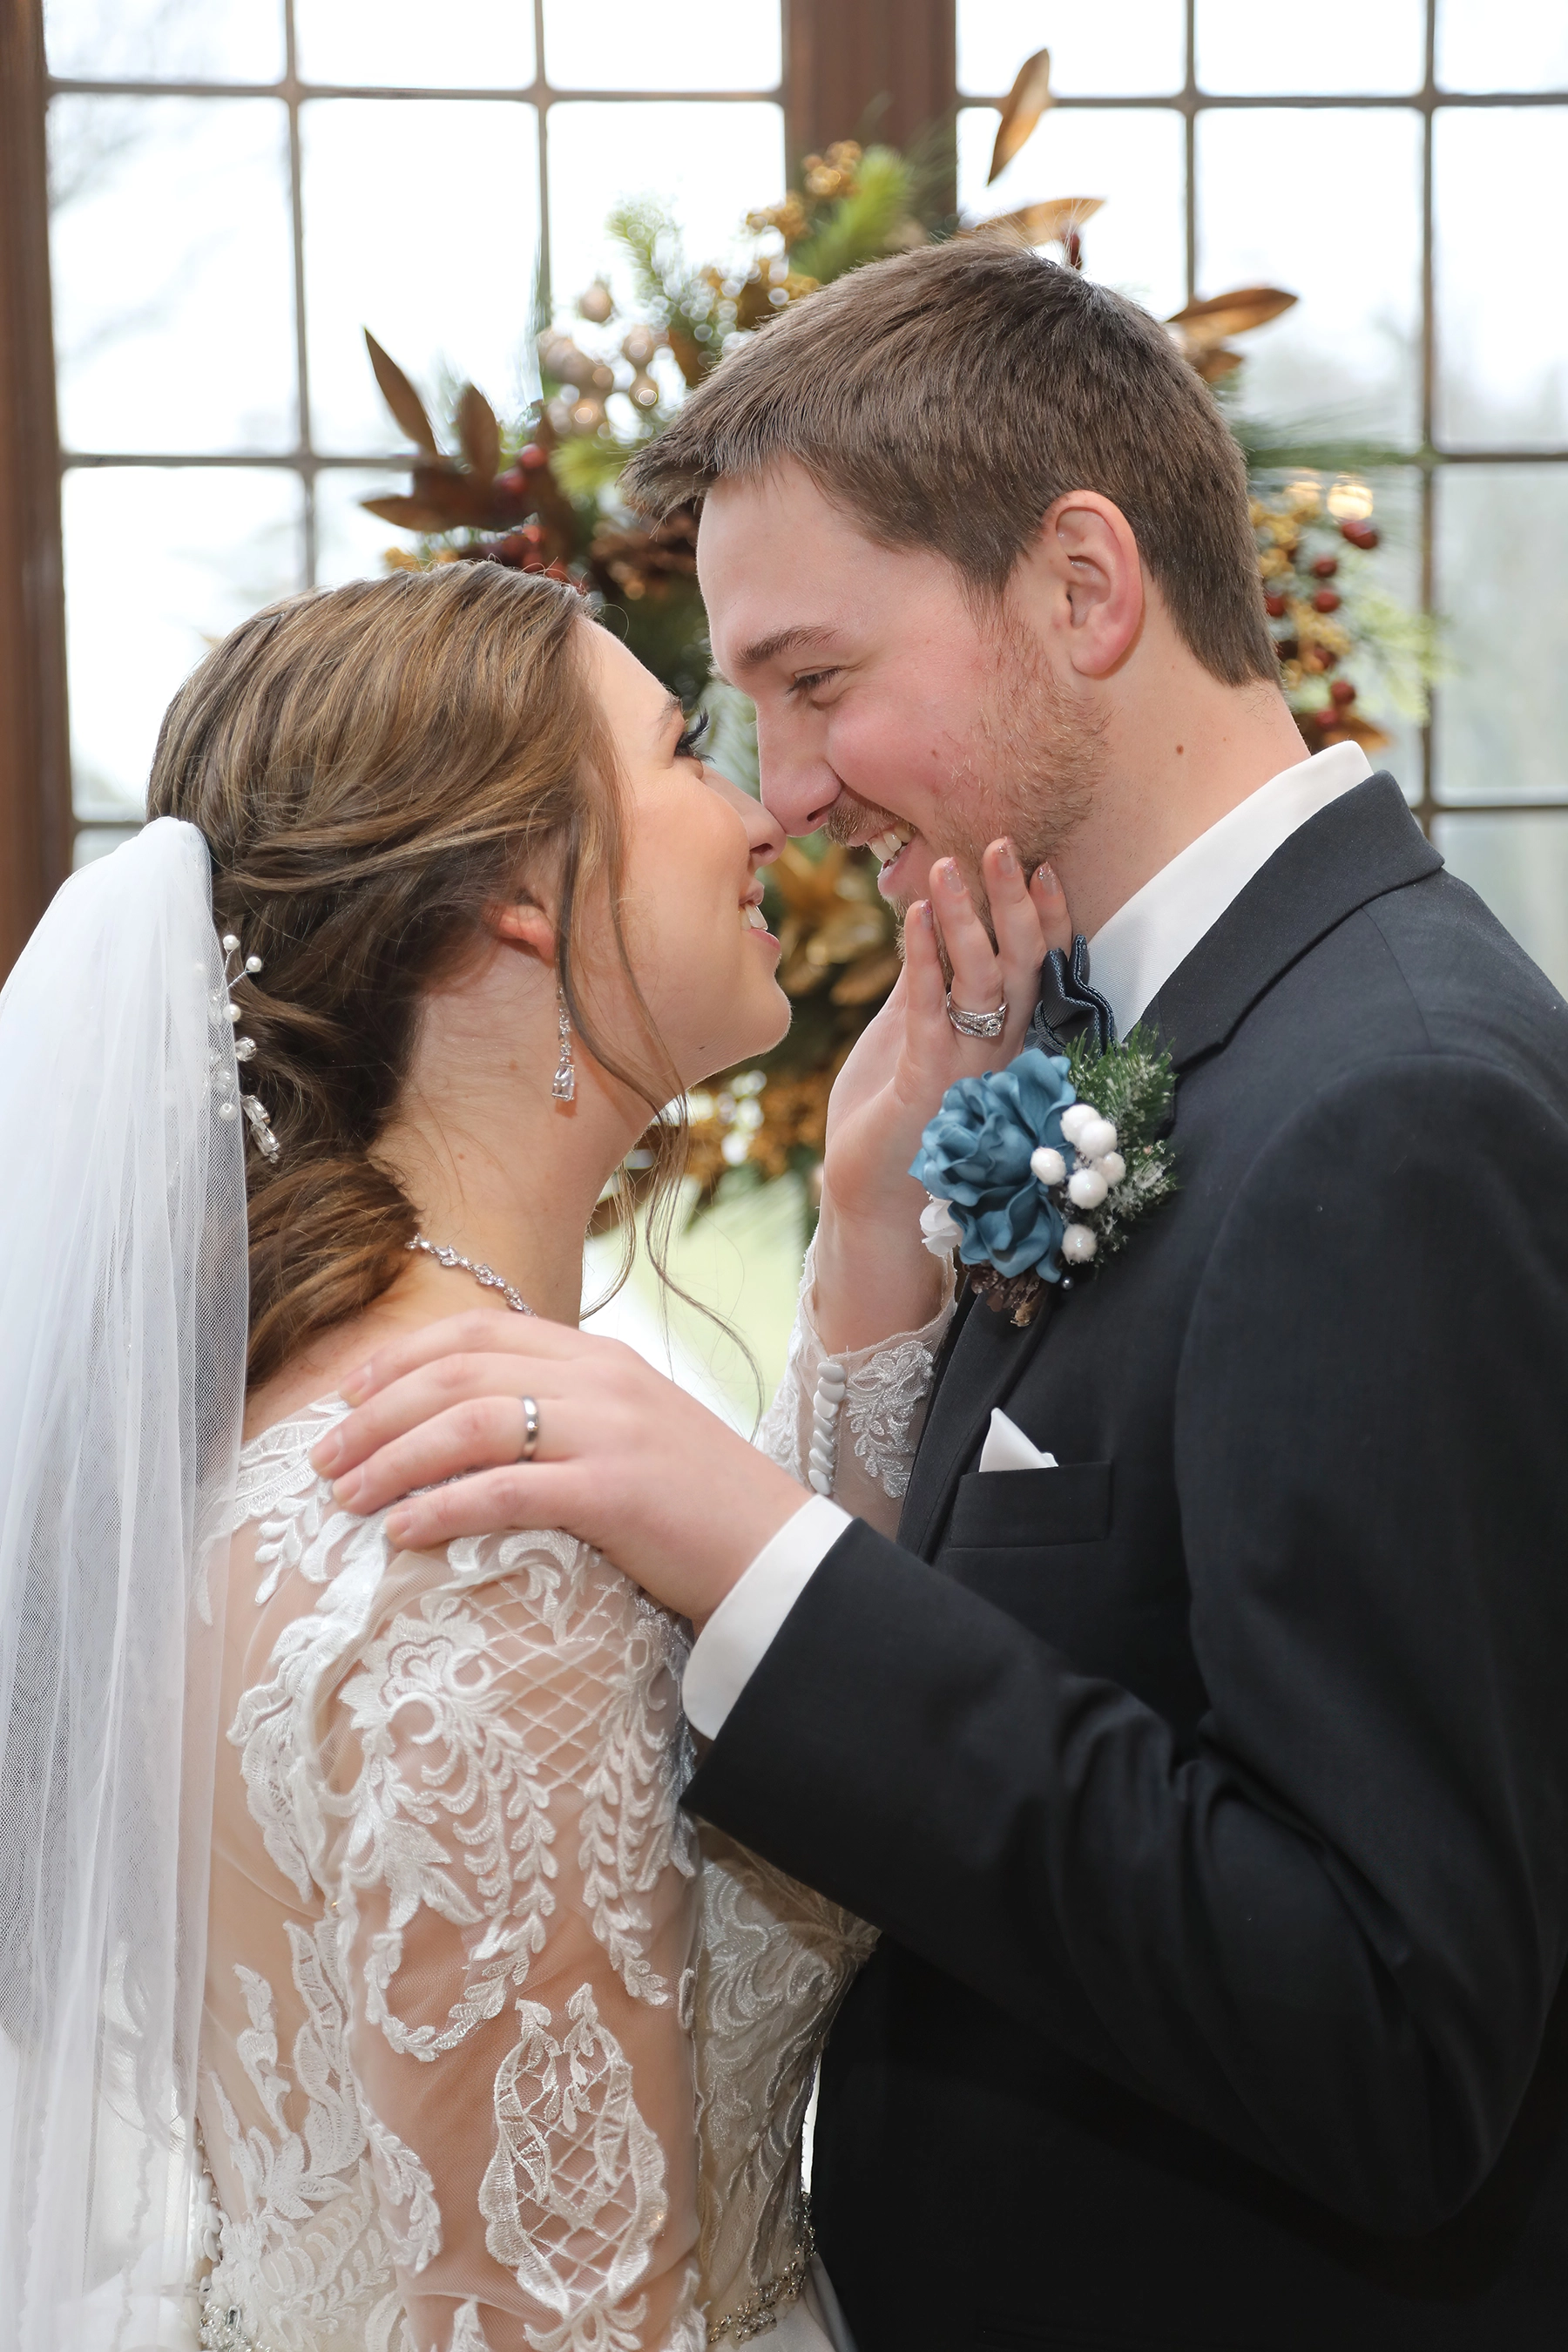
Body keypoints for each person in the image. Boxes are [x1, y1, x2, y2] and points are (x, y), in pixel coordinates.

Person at [317, 242, 1568, 2350]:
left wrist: (768, 1555)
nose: (787, 789)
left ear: (1084, 589)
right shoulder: (1131, 1037)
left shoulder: (1395, 1110)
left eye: (817, 681)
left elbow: (1394, 2032)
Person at [0, 562, 1016, 2350]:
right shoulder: (490, 1547)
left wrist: (869, 1238)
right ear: (514, 899)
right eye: (683, 752)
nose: (763, 813)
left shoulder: (307, 1424)